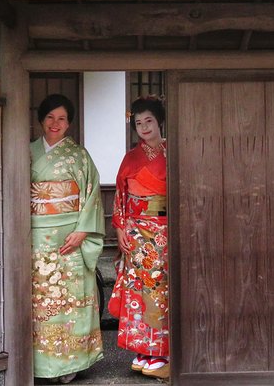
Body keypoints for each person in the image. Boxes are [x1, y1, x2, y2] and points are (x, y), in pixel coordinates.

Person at [30, 94, 105, 384]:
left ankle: (71, 362)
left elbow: (92, 194)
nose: (55, 123)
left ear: (69, 123)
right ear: (41, 120)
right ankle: (40, 362)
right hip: (36, 236)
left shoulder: (79, 156)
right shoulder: (28, 152)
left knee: (72, 299)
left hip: (71, 235)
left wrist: (83, 232)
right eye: (50, 117)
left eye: (61, 118)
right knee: (40, 302)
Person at [108, 95, 169, 379]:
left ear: (160, 122)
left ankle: (160, 351)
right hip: (135, 233)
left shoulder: (172, 153)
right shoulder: (130, 158)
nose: (143, 127)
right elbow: (120, 196)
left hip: (163, 231)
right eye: (138, 123)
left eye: (149, 121)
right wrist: (120, 229)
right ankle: (142, 349)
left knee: (159, 291)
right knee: (137, 292)